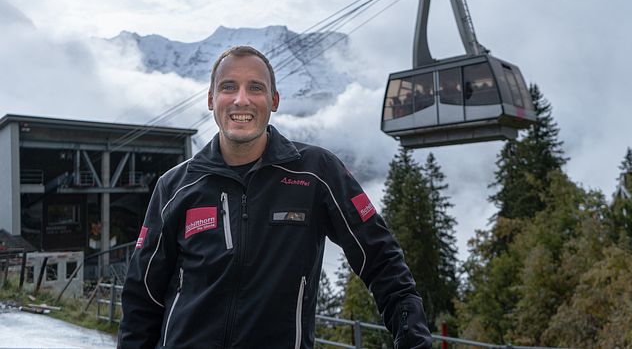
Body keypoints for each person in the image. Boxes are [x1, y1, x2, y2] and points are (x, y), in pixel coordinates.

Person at [118, 45, 432, 348]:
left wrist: (413, 337)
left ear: (274, 100)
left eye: (255, 88)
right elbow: (142, 296)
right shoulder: (175, 188)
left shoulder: (316, 174)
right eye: (229, 87)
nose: (241, 100)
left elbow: (380, 259)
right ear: (212, 99)